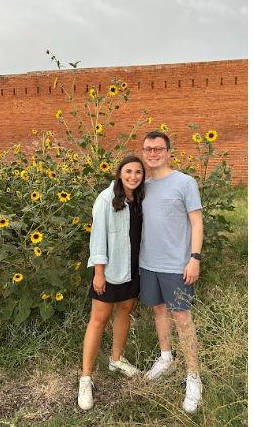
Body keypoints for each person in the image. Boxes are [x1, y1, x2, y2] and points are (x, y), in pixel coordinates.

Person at [139, 130, 204, 414]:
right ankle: (166, 357)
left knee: (182, 318)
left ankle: (194, 376)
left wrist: (195, 258)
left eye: (158, 149)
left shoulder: (184, 182)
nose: (153, 153)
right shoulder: (143, 184)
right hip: (148, 262)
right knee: (158, 311)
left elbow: (197, 222)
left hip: (177, 264)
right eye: (148, 149)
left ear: (168, 152)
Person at [78, 155, 145, 411]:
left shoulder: (139, 199)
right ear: (119, 173)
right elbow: (97, 238)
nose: (133, 176)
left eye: (138, 172)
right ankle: (85, 378)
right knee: (99, 319)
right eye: (128, 171)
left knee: (125, 310)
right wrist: (98, 272)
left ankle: (116, 359)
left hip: (132, 268)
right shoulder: (106, 199)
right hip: (108, 269)